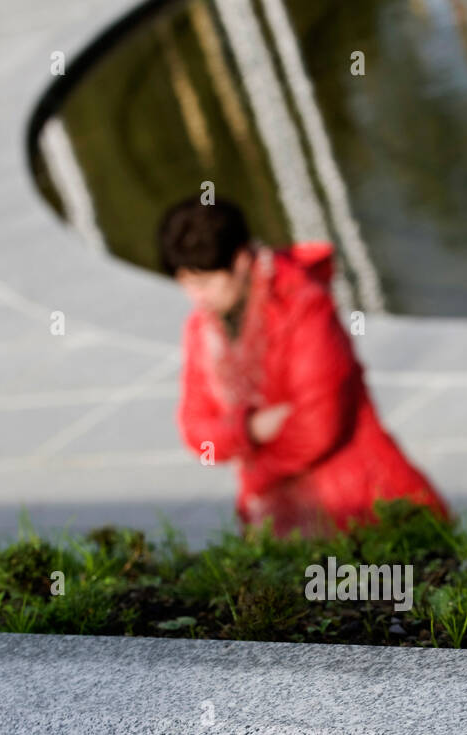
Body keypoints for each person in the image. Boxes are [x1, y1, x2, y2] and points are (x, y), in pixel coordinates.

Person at [159, 197, 448, 536]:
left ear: (239, 261)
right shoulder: (203, 329)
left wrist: (256, 471)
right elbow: (195, 432)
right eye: (186, 285)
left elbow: (317, 429)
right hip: (278, 520)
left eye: (205, 283)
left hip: (363, 504)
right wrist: (250, 429)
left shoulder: (303, 305)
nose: (196, 298)